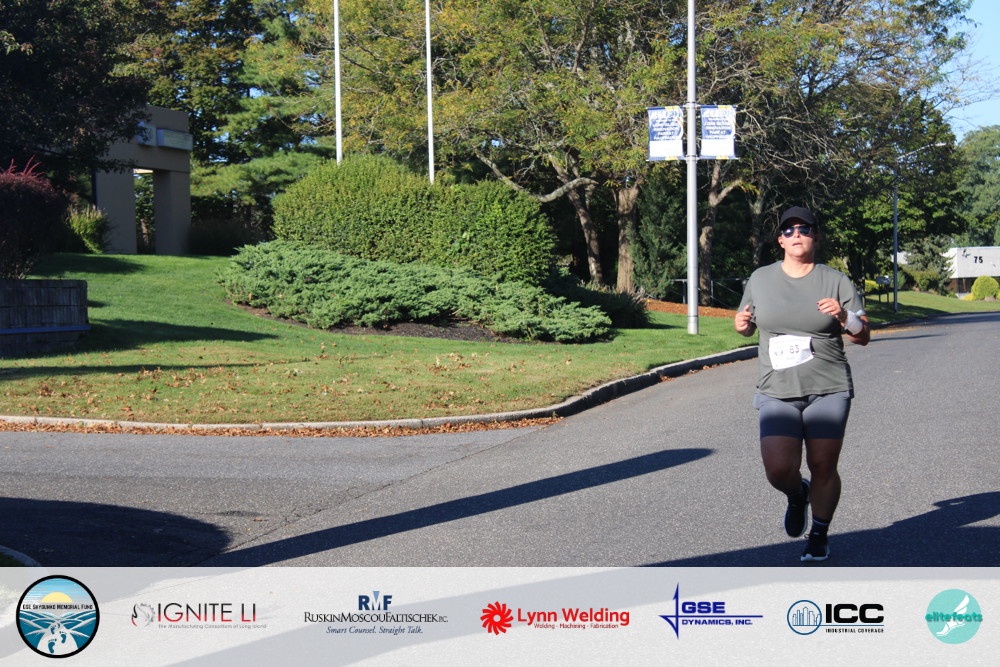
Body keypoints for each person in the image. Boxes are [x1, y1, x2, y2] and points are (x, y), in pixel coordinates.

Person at [734, 206, 870, 562]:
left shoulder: (835, 280)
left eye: (804, 229)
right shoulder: (761, 279)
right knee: (778, 468)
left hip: (828, 387)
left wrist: (845, 316)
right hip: (776, 388)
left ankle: (819, 534)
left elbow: (863, 335)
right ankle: (798, 494)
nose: (797, 235)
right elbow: (746, 321)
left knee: (823, 465)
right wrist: (742, 325)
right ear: (780, 240)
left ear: (816, 236)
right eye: (789, 230)